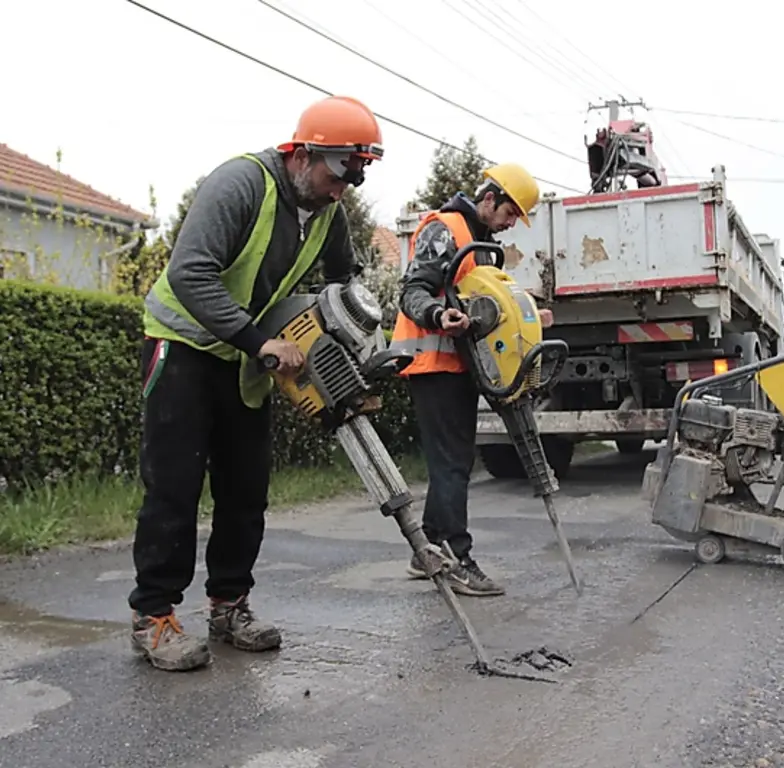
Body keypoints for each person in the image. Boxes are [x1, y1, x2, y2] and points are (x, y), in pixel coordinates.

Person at [129, 95, 385, 671]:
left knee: (246, 490)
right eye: (337, 171)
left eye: (355, 175)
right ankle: (154, 617)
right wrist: (259, 340)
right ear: (303, 154)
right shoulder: (240, 184)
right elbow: (189, 273)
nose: (342, 188)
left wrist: (350, 344)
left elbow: (346, 281)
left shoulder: (327, 214)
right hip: (185, 346)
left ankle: (229, 606)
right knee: (174, 486)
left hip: (245, 356)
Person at [390, 163, 553, 597]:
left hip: (458, 366)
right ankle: (454, 556)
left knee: (454, 461)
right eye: (510, 212)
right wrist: (438, 314)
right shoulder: (445, 229)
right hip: (431, 364)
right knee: (453, 464)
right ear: (488, 199)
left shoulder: (480, 244)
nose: (511, 222)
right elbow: (412, 292)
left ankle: (425, 546)